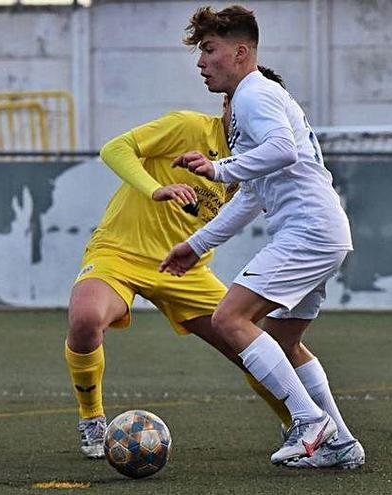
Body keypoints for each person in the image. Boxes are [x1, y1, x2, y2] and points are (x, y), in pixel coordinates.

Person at [160, 5, 364, 469]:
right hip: (324, 231)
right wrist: (196, 246)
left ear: (240, 52)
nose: (200, 62)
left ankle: (309, 422)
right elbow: (250, 196)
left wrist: (217, 168)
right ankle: (343, 444)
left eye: (208, 50)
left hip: (309, 230)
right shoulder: (252, 103)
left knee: (231, 319)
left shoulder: (254, 93)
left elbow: (283, 150)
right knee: (284, 342)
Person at [64, 72, 293, 459]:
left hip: (186, 270)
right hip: (119, 253)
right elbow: (115, 148)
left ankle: (297, 426)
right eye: (243, 107)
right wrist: (157, 188)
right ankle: (92, 418)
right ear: (228, 105)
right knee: (85, 318)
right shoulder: (187, 127)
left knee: (254, 349)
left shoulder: (252, 165)